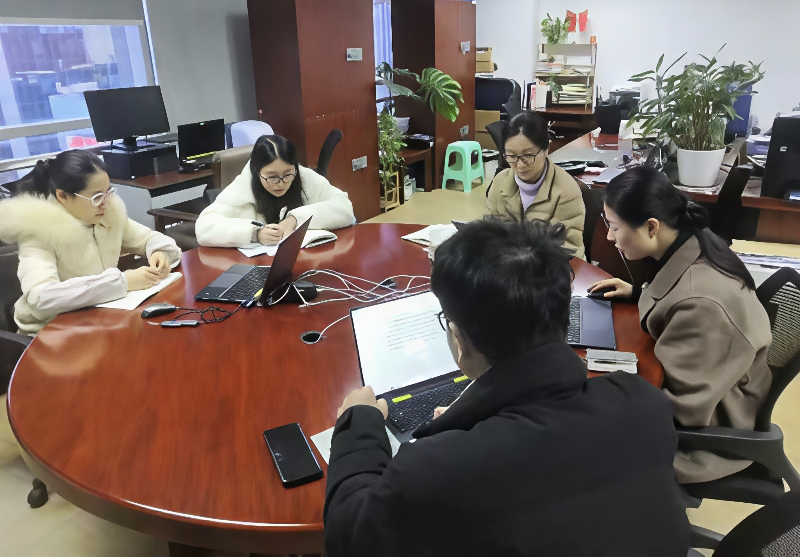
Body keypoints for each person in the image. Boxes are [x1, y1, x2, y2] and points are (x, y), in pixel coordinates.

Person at [323, 219, 690, 557]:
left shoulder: (434, 471)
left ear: (459, 342)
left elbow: (350, 534)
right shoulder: (645, 405)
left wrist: (359, 424)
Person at [588, 166, 772, 484]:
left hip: (709, 432)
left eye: (615, 227)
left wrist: (596, 389)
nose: (609, 237)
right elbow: (676, 296)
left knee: (580, 438)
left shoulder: (701, 303)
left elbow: (681, 410)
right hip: (715, 390)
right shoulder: (693, 241)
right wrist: (638, 293)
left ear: (651, 227)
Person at [0, 150, 181, 335]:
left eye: (108, 192)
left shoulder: (108, 215)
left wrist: (158, 251)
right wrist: (122, 282)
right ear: (63, 196)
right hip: (50, 332)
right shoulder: (40, 232)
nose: (105, 203)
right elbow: (40, 297)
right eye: (96, 197)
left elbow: (152, 239)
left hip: (97, 319)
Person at [196, 134, 355, 247]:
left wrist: (295, 219)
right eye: (272, 177)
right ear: (256, 172)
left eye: (287, 175)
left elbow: (345, 207)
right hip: (257, 270)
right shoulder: (242, 187)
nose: (281, 183)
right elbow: (204, 227)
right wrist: (255, 233)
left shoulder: (303, 176)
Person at [486, 111, 586, 258]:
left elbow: (568, 248)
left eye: (528, 155)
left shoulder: (566, 190)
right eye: (512, 156)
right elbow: (492, 231)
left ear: (546, 149)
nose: (520, 164)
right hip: (511, 262)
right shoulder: (500, 182)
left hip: (555, 264)